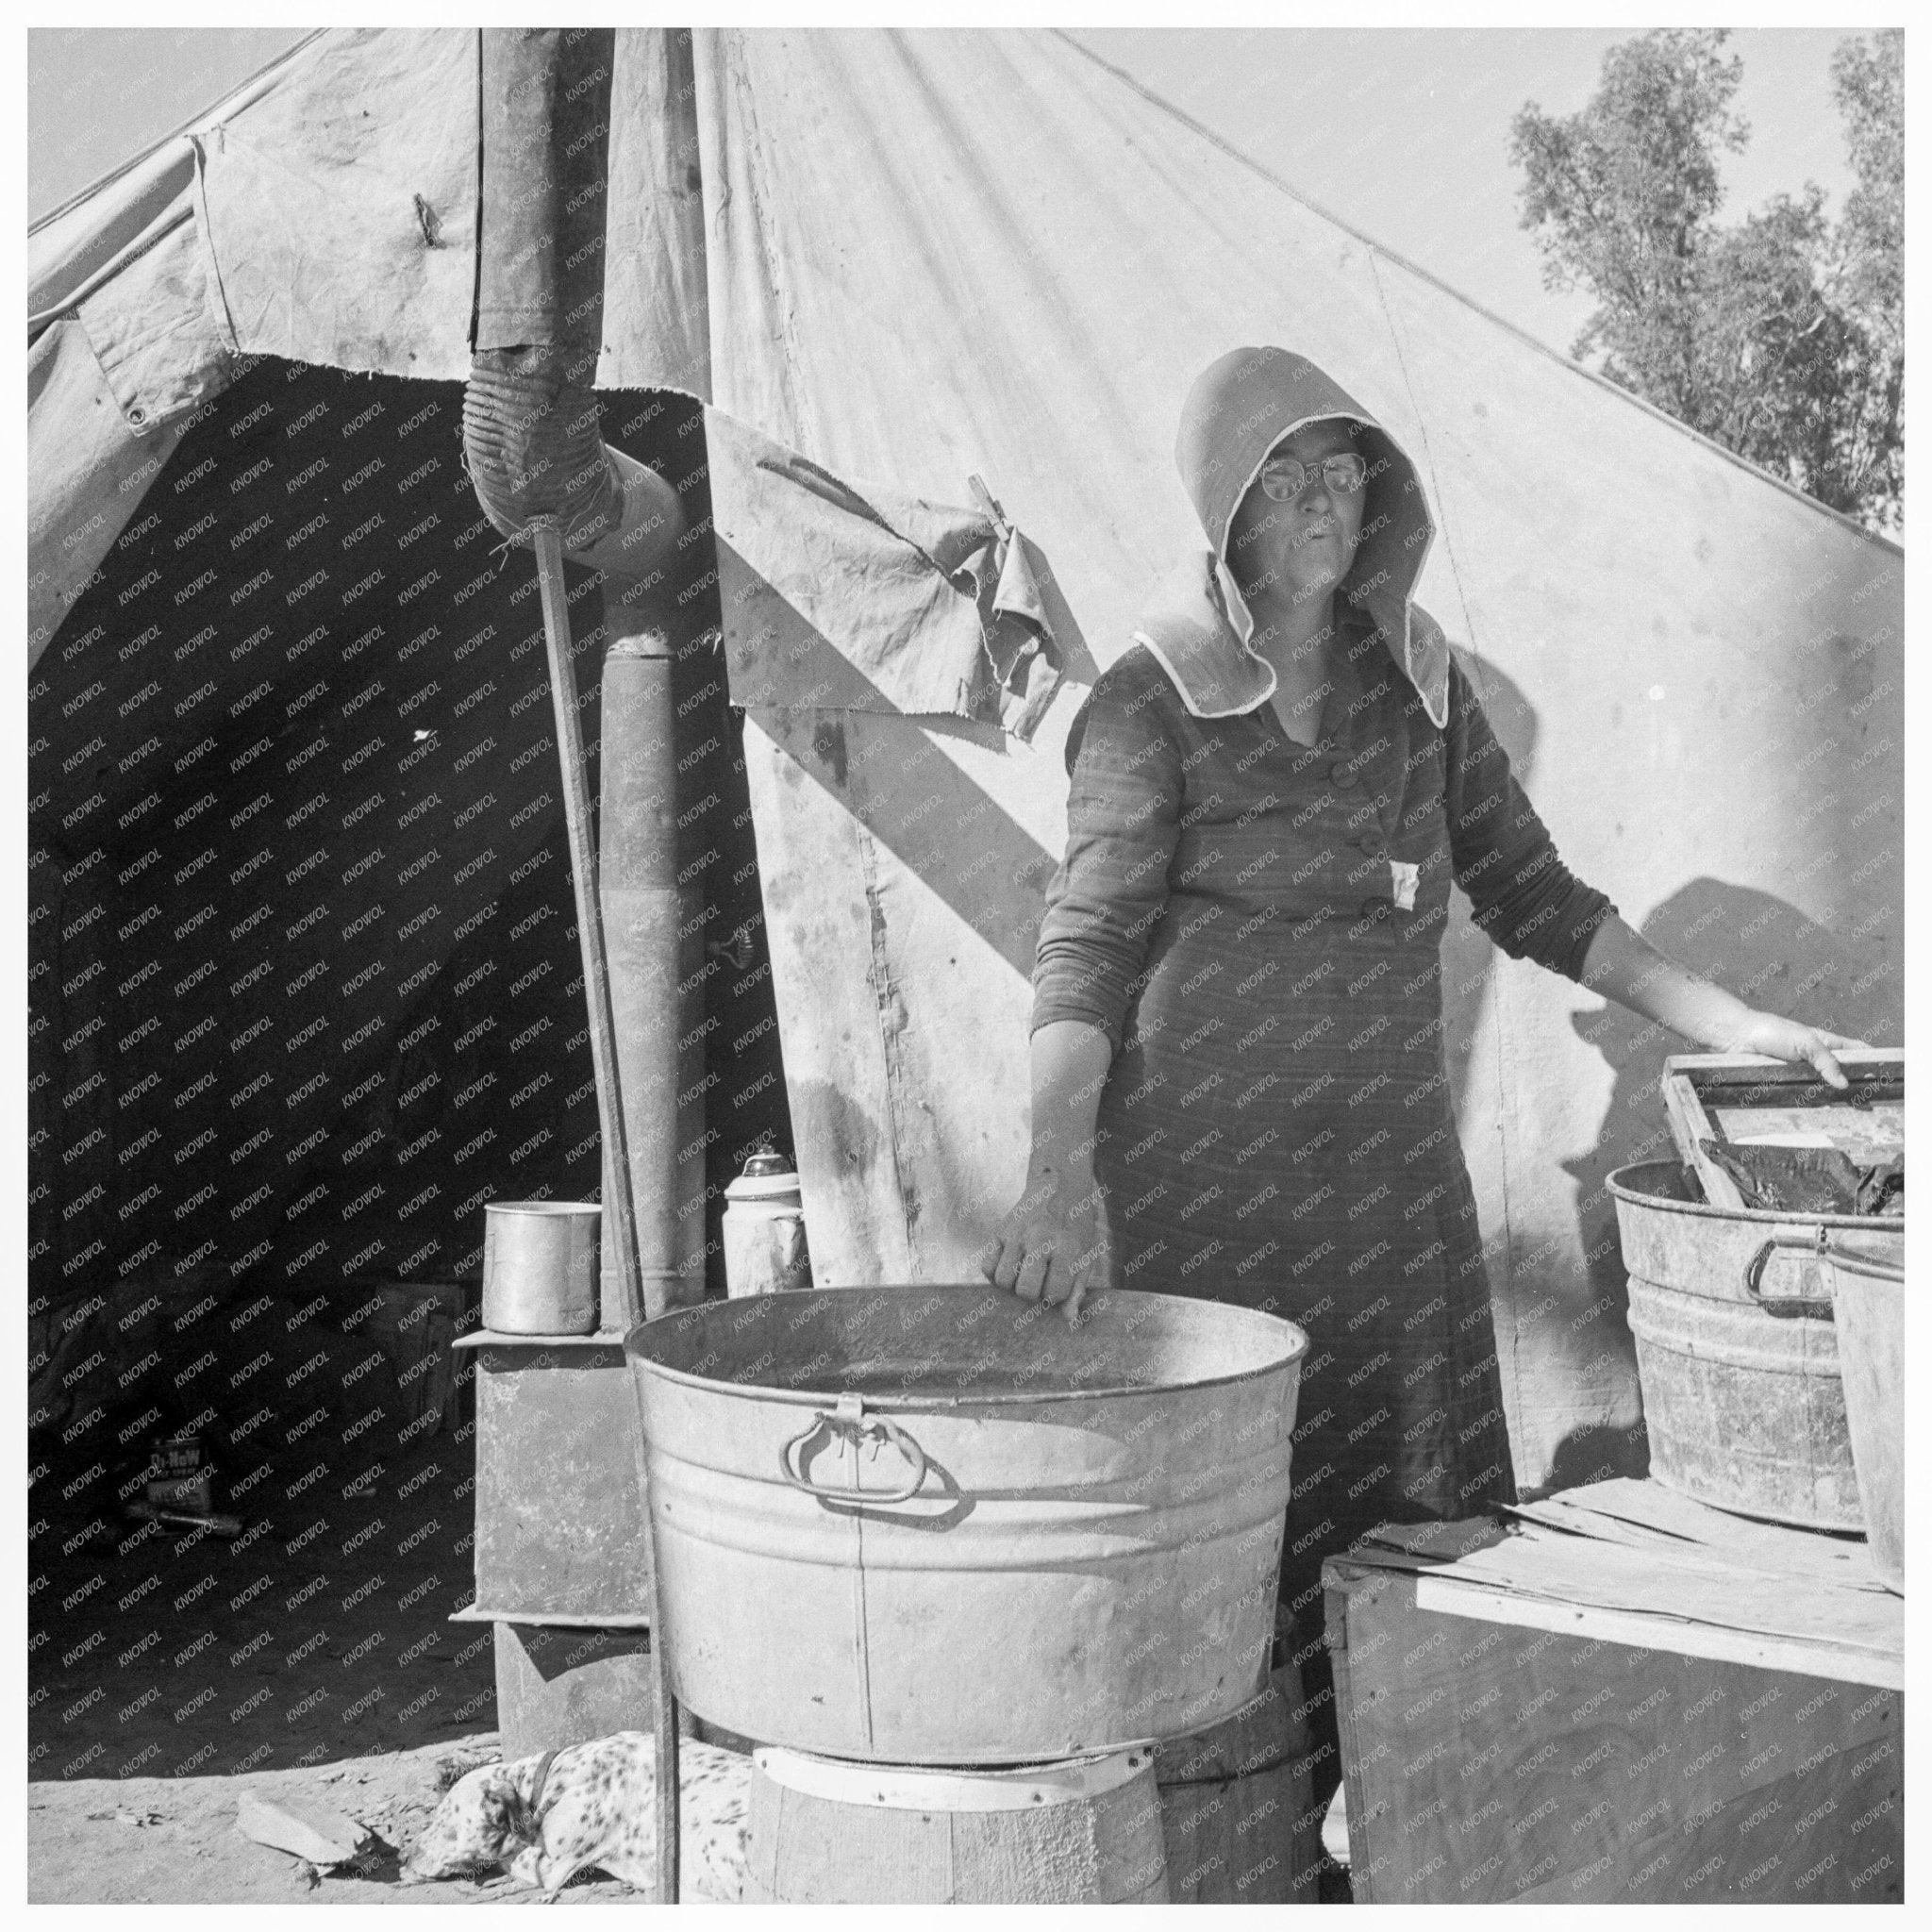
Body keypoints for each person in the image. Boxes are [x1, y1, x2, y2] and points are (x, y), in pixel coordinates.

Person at [978, 345, 1865, 1809]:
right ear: (1225, 507)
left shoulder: (1421, 689)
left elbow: (1537, 894)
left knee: (1402, 1530)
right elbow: (1086, 952)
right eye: (1287, 475)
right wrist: (1056, 1171)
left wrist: (1732, 1025)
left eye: (1347, 472)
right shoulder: (1150, 699)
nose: (1325, 500)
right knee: (1225, 1525)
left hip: (1389, 1205)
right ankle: (1228, 1833)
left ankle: (1397, 1825)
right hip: (1210, 1209)